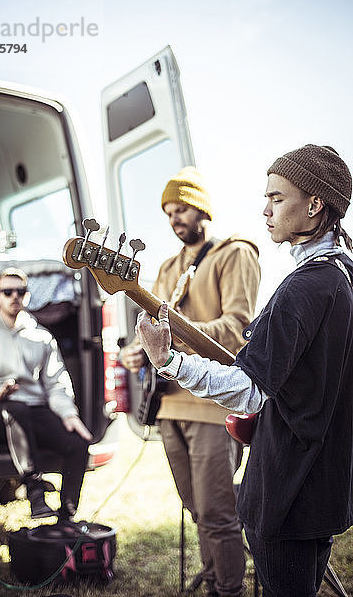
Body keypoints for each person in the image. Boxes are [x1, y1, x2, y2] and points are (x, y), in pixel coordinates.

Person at [136, 145, 353, 597]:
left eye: (276, 198)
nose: (265, 209)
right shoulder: (341, 275)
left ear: (314, 205)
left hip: (287, 488)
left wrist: (168, 361)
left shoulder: (306, 286)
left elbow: (249, 390)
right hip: (324, 484)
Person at [121, 167, 261, 597]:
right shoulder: (166, 267)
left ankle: (228, 589)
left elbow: (236, 329)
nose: (173, 218)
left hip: (212, 405)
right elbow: (152, 328)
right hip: (168, 407)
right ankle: (216, 576)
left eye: (180, 208)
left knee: (218, 512)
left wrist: (175, 339)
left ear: (201, 208)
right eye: (167, 212)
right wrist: (136, 347)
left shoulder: (234, 254)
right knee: (197, 509)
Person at [0, 267, 92, 521]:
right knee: (15, 410)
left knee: (78, 442)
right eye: (7, 291)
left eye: (20, 292)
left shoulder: (42, 337)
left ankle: (66, 518)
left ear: (28, 297)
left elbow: (56, 384)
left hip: (35, 408)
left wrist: (68, 414)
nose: (14, 296)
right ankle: (35, 492)